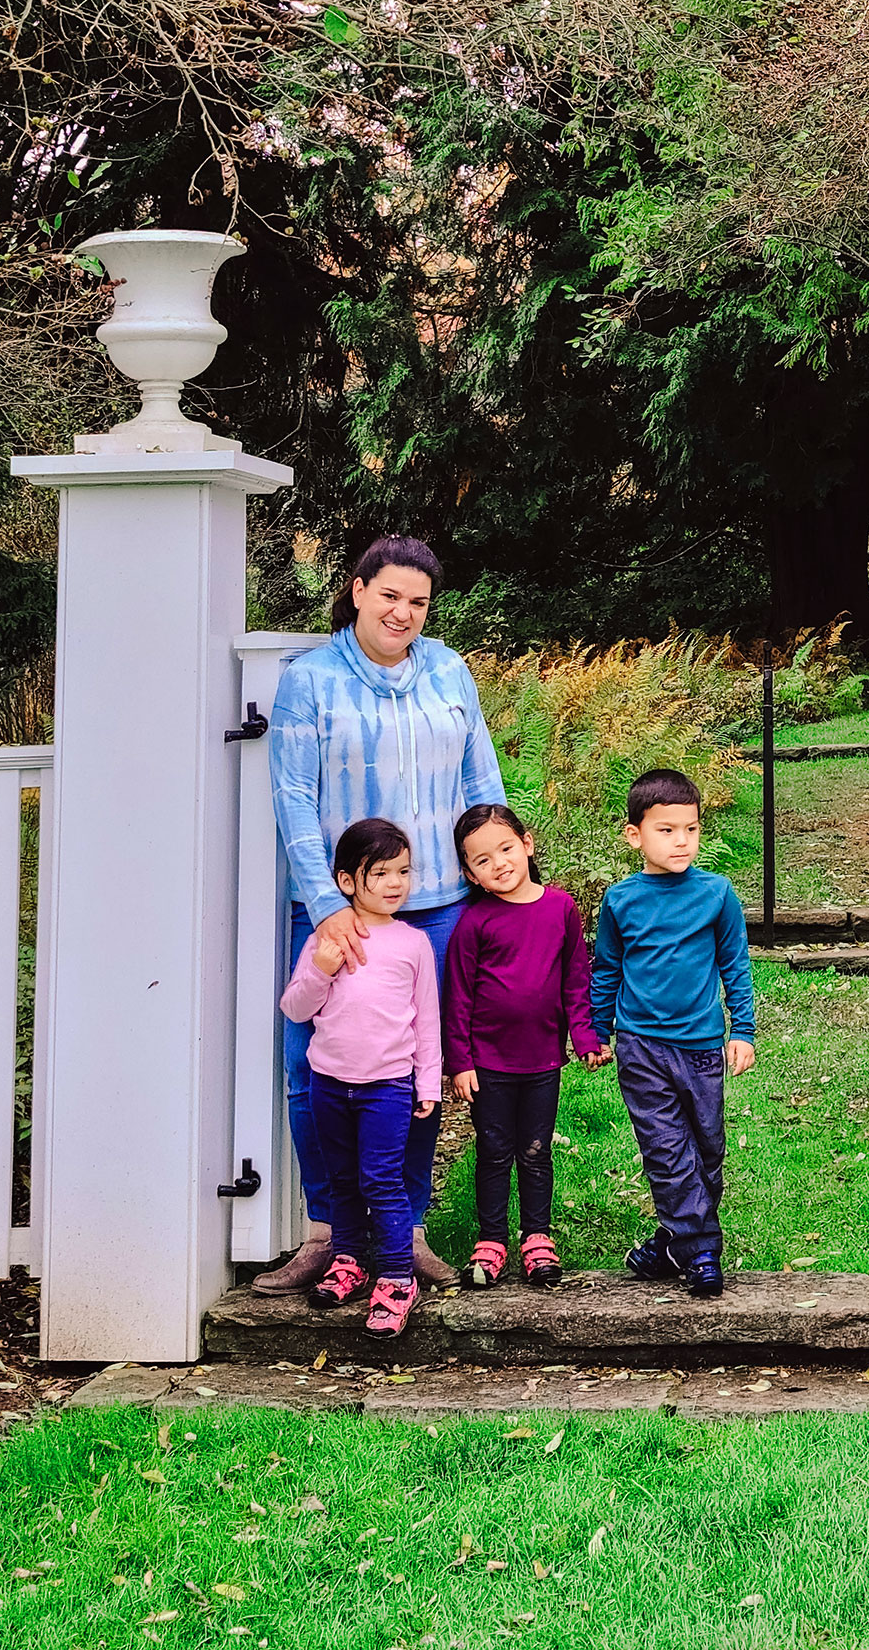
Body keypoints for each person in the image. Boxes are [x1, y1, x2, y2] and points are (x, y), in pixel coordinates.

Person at [256, 535, 505, 1295]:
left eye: (419, 602)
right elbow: (294, 796)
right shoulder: (311, 681)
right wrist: (329, 906)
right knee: (312, 1071)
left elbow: (479, 777)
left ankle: (407, 1231)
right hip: (339, 913)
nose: (403, 612)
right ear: (358, 589)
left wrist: (496, 879)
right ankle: (332, 1236)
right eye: (390, 594)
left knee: (414, 1072)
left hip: (438, 912)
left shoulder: (449, 670)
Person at [588, 768, 755, 1301]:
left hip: (703, 1046)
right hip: (641, 1046)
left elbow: (736, 964)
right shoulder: (620, 900)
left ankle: (669, 1244)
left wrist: (743, 1030)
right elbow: (607, 969)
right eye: (666, 830)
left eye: (691, 828)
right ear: (635, 834)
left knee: (706, 1152)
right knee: (666, 1150)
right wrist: (595, 1030)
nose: (681, 840)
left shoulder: (716, 894)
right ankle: (703, 1251)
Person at [278, 818, 442, 1338]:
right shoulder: (329, 938)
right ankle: (347, 1259)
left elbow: (427, 1020)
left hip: (387, 1086)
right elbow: (296, 1008)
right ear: (346, 881)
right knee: (342, 1178)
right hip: (330, 1083)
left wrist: (428, 1083)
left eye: (403, 871)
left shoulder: (413, 943)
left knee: (381, 1180)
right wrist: (321, 967)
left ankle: (396, 1278)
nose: (396, 883)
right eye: (381, 873)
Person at [443, 803, 605, 1288]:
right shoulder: (475, 923)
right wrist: (460, 1062)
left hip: (541, 1060)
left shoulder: (560, 909)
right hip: (488, 1064)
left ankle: (537, 1239)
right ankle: (491, 1242)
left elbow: (576, 980)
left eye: (506, 848)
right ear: (470, 874)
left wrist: (585, 1035)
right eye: (483, 860)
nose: (500, 864)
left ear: (527, 844)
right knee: (493, 1150)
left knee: (535, 1151)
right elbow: (457, 998)